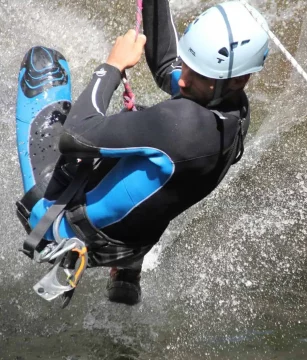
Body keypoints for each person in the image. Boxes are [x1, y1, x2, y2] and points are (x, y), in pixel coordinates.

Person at [15, 0, 270, 305]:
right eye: (189, 63)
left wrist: (112, 66)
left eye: (197, 74)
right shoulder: (233, 109)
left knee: (43, 64)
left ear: (239, 78)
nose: (184, 78)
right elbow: (166, 67)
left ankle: (48, 223)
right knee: (152, 170)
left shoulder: (181, 125)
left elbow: (75, 136)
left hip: (67, 229)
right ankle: (126, 273)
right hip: (135, 242)